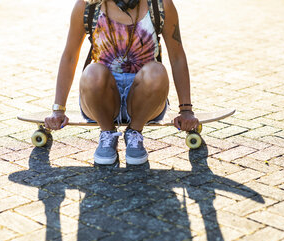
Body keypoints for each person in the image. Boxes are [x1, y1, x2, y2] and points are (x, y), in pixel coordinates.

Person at [45, 0, 199, 165]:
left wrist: (186, 110)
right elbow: (69, 56)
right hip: (101, 98)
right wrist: (58, 109)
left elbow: (177, 57)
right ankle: (107, 133)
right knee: (92, 72)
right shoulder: (88, 6)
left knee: (157, 71)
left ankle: (135, 133)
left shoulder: (160, 5)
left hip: (146, 98)